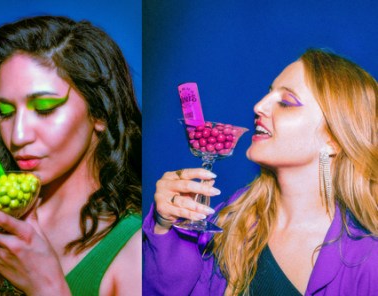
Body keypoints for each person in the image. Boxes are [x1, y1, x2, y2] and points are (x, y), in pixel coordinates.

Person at [0, 16, 142, 295]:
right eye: (6, 112)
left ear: (100, 113)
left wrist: (48, 288)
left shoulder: (134, 246)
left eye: (44, 108)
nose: (18, 136)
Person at [144, 48, 377, 295]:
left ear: (333, 141)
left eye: (286, 103)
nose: (259, 106)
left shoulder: (367, 261)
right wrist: (164, 227)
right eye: (268, 94)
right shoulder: (229, 222)